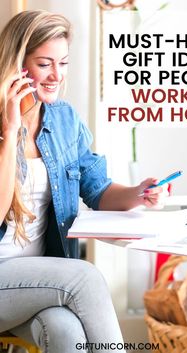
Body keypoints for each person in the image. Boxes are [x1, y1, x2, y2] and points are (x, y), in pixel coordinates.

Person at [0, 10, 168, 353]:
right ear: (17, 65)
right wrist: (10, 130)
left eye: (63, 63)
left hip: (40, 280)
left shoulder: (64, 120)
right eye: (44, 63)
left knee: (66, 331)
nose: (56, 76)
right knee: (85, 276)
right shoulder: (5, 125)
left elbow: (98, 189)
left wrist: (139, 193)